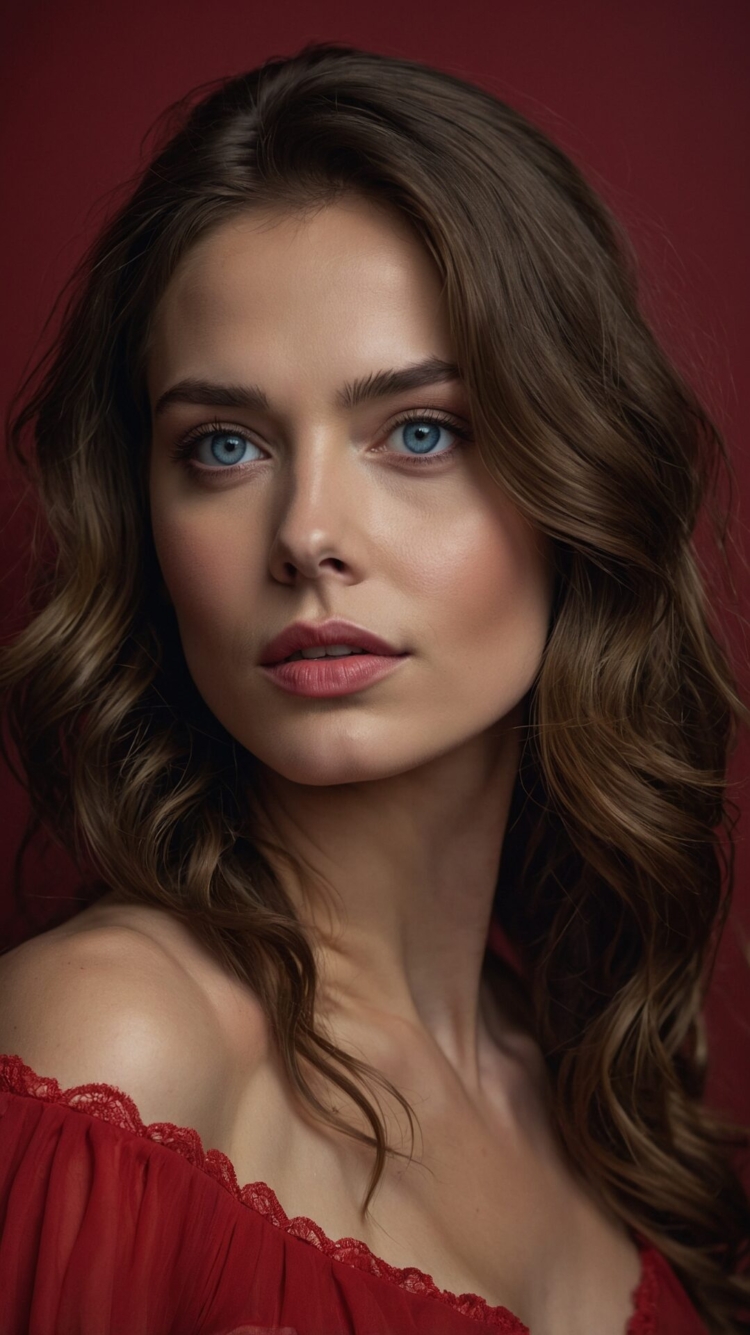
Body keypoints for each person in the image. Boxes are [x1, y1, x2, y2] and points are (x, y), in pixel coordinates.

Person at [0, 40, 748, 1335]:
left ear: (577, 480)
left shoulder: (579, 1073)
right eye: (223, 446)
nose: (306, 532)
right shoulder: (115, 1041)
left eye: (419, 430)